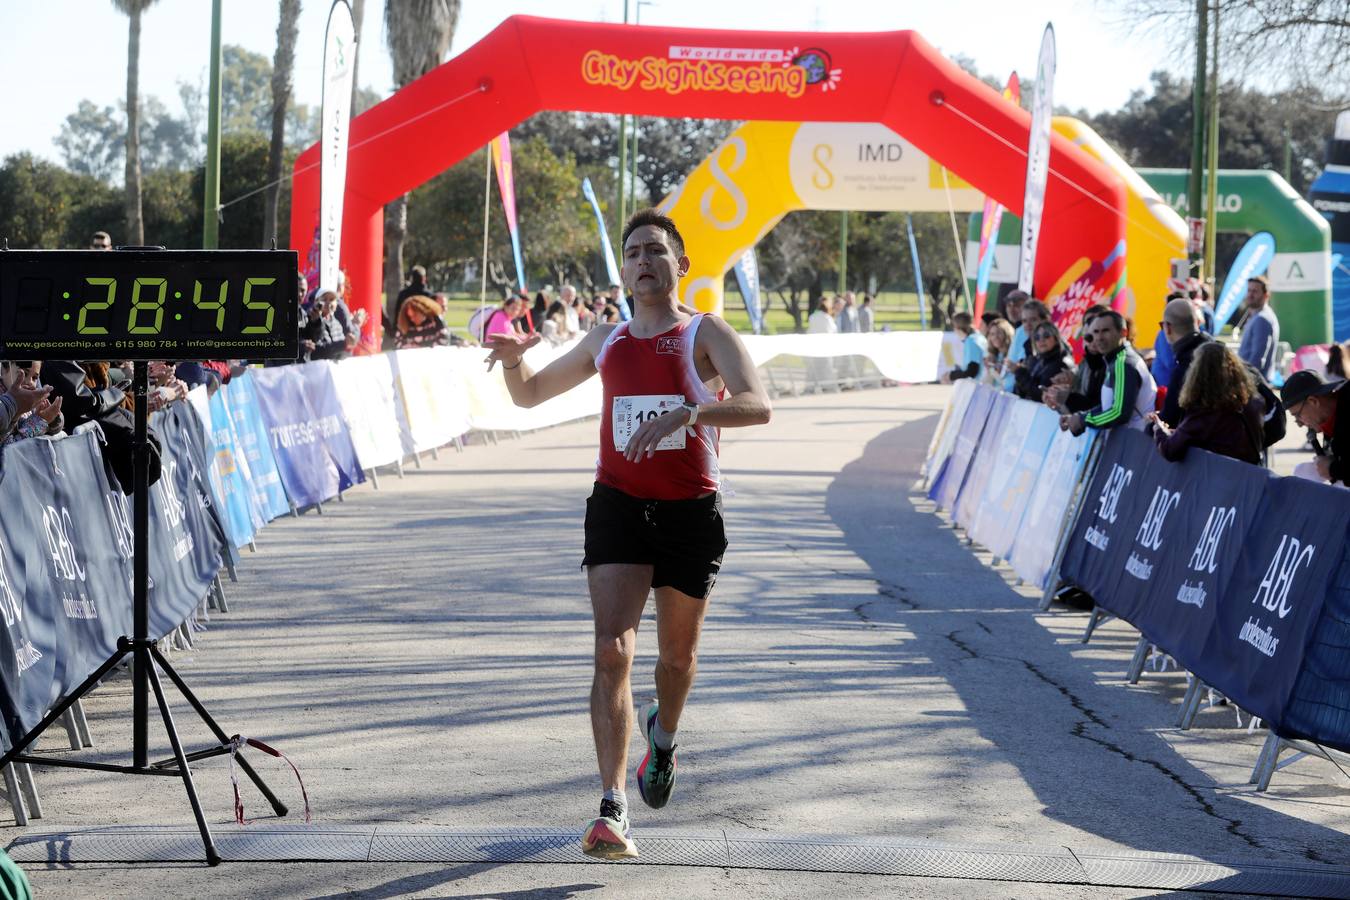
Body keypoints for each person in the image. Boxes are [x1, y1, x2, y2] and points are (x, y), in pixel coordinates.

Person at [484, 208, 772, 861]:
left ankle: (662, 737)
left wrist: (693, 409)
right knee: (611, 651)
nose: (644, 260)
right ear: (624, 269)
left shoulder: (705, 332)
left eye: (657, 251)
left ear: (681, 265)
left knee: (675, 661)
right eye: (634, 252)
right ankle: (613, 809)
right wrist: (509, 364)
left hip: (690, 514)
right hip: (617, 503)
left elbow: (758, 403)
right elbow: (529, 397)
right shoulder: (604, 340)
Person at [1149, 343, 1264, 465]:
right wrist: (1174, 433)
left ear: (1197, 374)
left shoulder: (1206, 412)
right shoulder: (1251, 402)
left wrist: (1158, 429)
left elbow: (1170, 450)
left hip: (1221, 478)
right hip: (1250, 476)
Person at [1060, 310, 1156, 435]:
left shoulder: (1123, 363)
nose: (1099, 337)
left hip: (1135, 441)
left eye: (1106, 331)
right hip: (1129, 441)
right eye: (1095, 332)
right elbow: (1109, 405)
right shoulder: (1115, 360)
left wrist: (1084, 420)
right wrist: (1080, 416)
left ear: (1123, 333)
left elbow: (1119, 413)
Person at [1282, 369, 1349, 485]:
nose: (1299, 424)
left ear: (1313, 401)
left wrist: (1333, 469)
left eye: (1298, 415)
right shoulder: (1330, 420)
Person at [1157, 296, 1211, 428]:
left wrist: (1153, 424)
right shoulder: (1220, 352)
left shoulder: (1184, 368)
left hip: (1200, 442)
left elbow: (1169, 419)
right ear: (1197, 323)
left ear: (1168, 328)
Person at [1015, 322, 1073, 402]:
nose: (1041, 340)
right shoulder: (1038, 360)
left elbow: (1040, 395)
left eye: (1046, 335)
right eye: (1037, 337)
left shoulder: (1061, 363)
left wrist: (1019, 372)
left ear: (1056, 339)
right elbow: (1023, 392)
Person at [1237, 275, 1279, 382]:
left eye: (1255, 291)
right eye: (1249, 290)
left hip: (1254, 385)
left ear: (1266, 295)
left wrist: (1244, 382)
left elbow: (1257, 360)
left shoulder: (1262, 319)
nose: (1250, 295)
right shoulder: (1257, 316)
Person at [301, 290, 351, 361]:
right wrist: (343, 344)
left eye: (331, 299)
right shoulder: (311, 321)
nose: (328, 303)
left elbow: (343, 352)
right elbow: (317, 349)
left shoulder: (337, 323)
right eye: (324, 299)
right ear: (316, 302)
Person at [943, 312, 986, 382]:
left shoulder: (971, 341)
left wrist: (951, 375)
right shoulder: (979, 336)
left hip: (977, 385)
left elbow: (972, 372)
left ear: (957, 327)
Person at [983, 318, 1016, 391]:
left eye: (999, 333)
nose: (995, 337)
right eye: (992, 334)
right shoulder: (993, 356)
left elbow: (1008, 382)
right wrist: (990, 370)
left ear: (1007, 333)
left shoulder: (1013, 354)